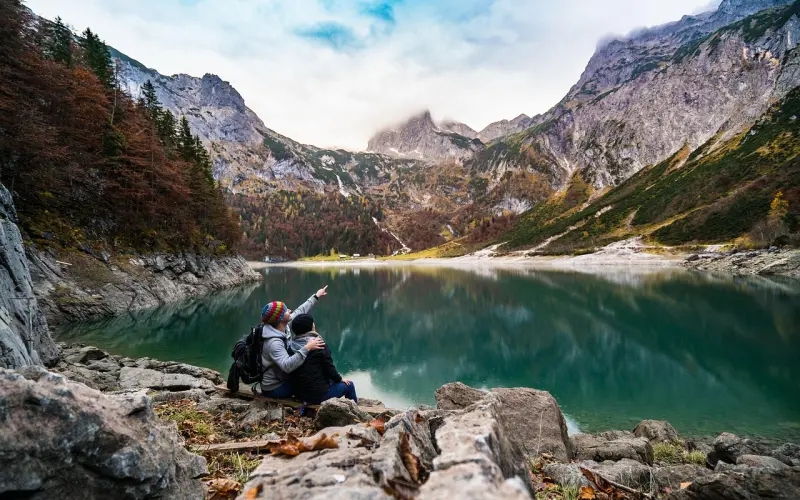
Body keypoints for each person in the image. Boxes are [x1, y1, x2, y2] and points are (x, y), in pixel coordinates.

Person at [259, 286, 329, 398]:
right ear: (280, 318)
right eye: (286, 311)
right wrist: (307, 347)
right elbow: (287, 366)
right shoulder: (273, 342)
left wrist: (316, 296)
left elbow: (300, 311)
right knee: (312, 382)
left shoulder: (283, 325)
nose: (289, 310)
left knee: (314, 377)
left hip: (282, 377)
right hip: (275, 387)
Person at [287, 313, 357, 404]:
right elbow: (329, 368)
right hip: (317, 395)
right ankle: (354, 411)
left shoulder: (291, 345)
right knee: (349, 385)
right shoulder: (319, 345)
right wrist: (340, 379)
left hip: (298, 393)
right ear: (311, 326)